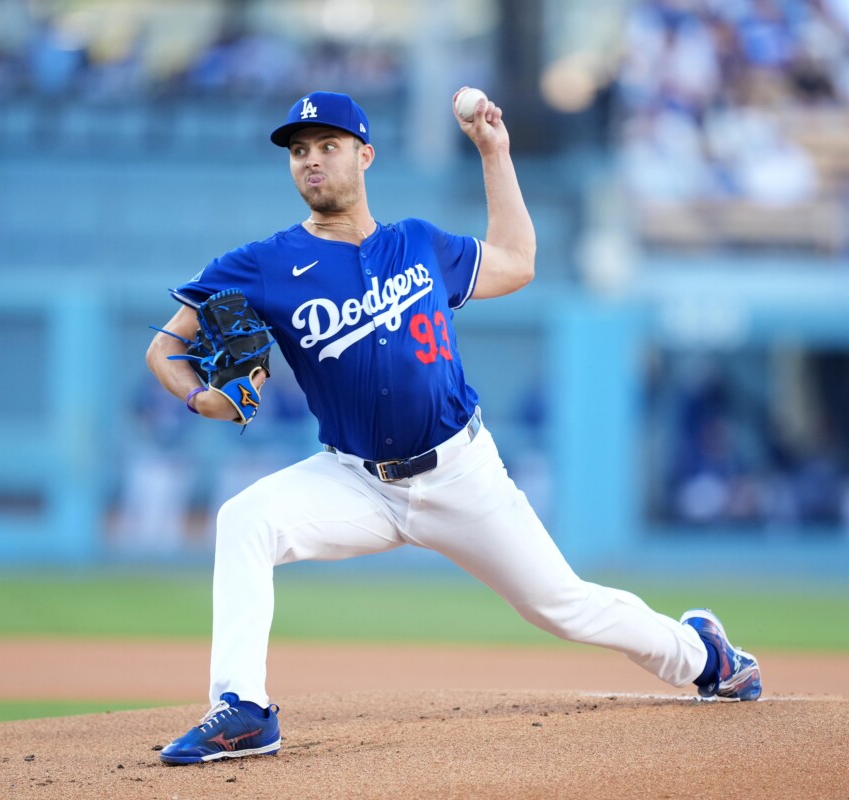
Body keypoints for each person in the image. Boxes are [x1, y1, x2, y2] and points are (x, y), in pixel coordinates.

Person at [144, 89, 762, 765]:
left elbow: (519, 262)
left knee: (563, 606)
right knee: (244, 519)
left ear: (365, 155)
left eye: (328, 146)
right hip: (356, 481)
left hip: (462, 472)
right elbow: (165, 347)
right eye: (299, 151)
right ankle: (243, 709)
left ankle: (705, 655)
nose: (311, 162)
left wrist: (494, 151)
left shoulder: (418, 243)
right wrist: (199, 398)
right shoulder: (262, 263)